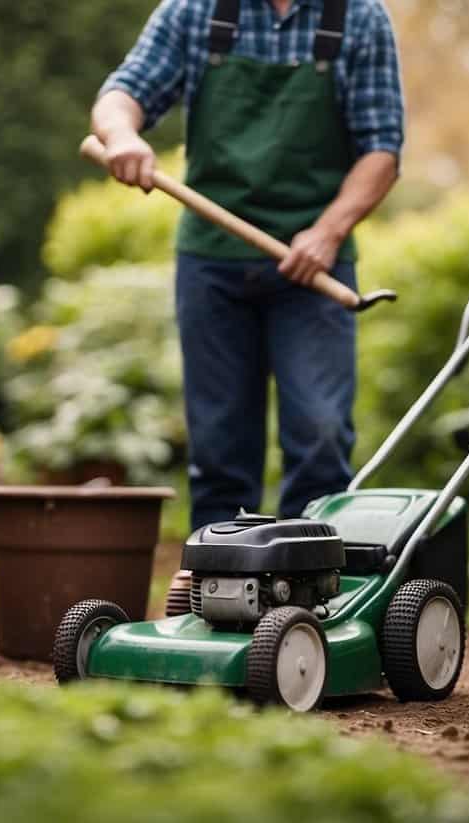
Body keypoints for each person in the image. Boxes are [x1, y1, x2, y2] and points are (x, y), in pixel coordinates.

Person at [93, 0, 404, 529]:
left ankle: (310, 578)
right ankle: (219, 582)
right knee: (218, 444)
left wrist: (328, 233)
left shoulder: (358, 18)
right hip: (211, 264)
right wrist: (121, 135)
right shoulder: (195, 11)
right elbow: (123, 93)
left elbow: (382, 150)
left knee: (321, 436)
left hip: (313, 267)